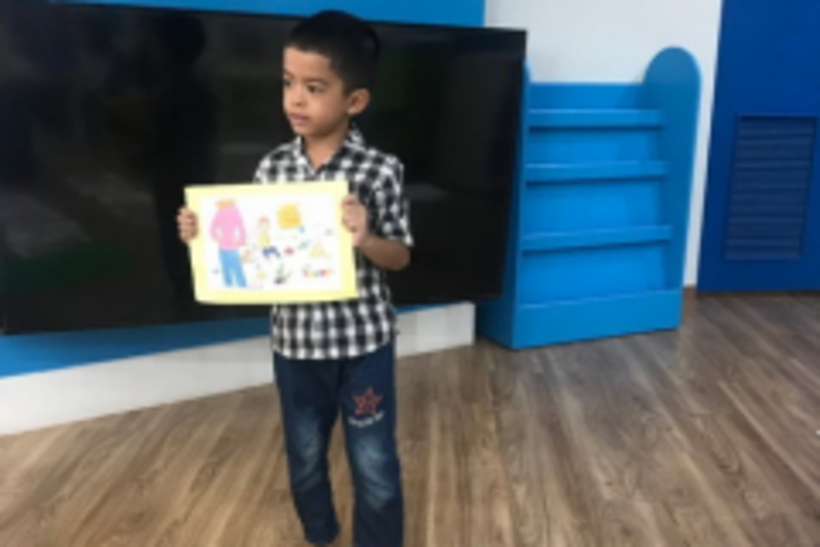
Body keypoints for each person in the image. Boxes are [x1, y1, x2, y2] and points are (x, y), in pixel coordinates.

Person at [177, 11, 412, 547]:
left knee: (374, 461)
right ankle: (320, 533)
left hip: (363, 345)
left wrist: (366, 238)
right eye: (288, 83)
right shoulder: (273, 168)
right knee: (304, 456)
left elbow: (400, 257)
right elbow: (253, 251)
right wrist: (203, 234)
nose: (295, 100)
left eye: (314, 88)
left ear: (355, 101)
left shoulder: (380, 170)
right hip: (296, 345)